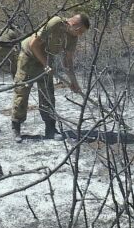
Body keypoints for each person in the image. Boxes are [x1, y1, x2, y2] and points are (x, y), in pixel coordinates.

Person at [10, 14, 90, 142]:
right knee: (22, 91)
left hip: (46, 59)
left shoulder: (72, 37)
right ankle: (16, 127)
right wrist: (46, 65)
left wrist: (73, 82)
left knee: (48, 94)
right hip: (29, 57)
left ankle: (50, 129)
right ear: (74, 25)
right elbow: (33, 44)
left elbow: (68, 62)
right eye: (80, 31)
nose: (80, 35)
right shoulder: (56, 22)